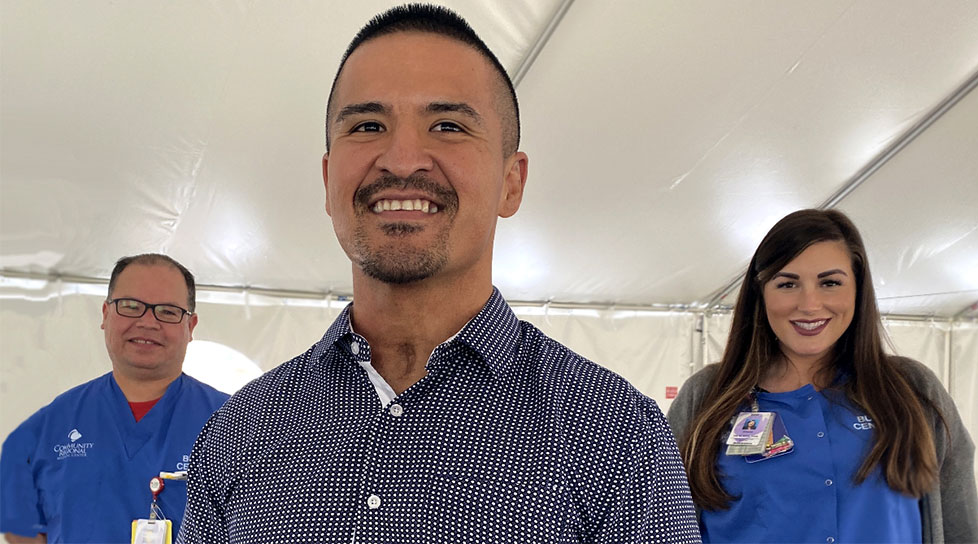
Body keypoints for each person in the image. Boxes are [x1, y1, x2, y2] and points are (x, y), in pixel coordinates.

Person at [178, 5, 700, 543]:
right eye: (368, 126)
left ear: (511, 182)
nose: (402, 160)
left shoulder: (617, 435)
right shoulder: (238, 432)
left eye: (448, 126)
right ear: (329, 179)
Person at [667, 209, 978, 543]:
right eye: (787, 284)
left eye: (830, 283)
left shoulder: (913, 389)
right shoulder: (706, 396)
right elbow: (664, 523)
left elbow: (960, 526)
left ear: (858, 289)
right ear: (760, 293)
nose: (810, 304)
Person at [0, 254, 229, 543]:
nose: (148, 322)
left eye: (168, 311)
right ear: (106, 314)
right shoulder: (55, 421)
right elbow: (17, 520)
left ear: (190, 326)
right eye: (131, 306)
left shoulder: (233, 421)